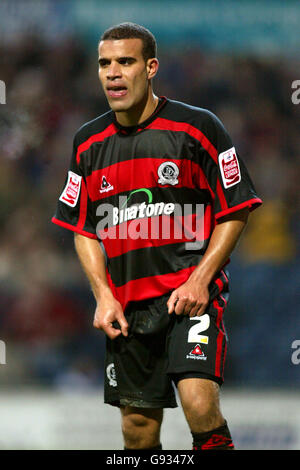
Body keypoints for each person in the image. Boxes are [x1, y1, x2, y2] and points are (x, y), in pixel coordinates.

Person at [52, 22, 262, 450]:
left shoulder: (197, 128)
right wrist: (103, 296)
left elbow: (235, 209)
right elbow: (83, 228)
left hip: (189, 299)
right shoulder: (87, 143)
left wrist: (201, 278)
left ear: (150, 68)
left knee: (198, 403)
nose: (113, 72)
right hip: (129, 311)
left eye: (125, 62)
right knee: (138, 432)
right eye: (104, 63)